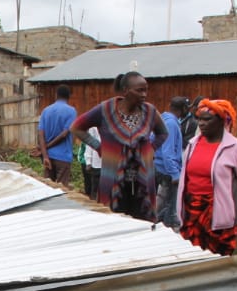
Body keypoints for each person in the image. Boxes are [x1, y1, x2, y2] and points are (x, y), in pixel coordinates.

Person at [69, 72, 169, 220]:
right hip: (112, 177)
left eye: (146, 90)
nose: (144, 94)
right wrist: (99, 147)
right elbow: (76, 128)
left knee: (142, 222)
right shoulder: (106, 110)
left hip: (142, 179)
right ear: (125, 91)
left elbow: (163, 133)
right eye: (139, 90)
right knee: (112, 219)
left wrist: (150, 149)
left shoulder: (150, 112)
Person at [175, 98, 237, 255]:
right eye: (199, 119)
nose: (201, 124)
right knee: (192, 257)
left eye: (207, 119)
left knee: (218, 259)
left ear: (222, 121)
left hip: (219, 214)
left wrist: (230, 204)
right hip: (191, 211)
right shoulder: (192, 145)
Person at [155, 99, 187, 228]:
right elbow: (167, 152)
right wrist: (175, 174)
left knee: (163, 203)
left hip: (160, 166)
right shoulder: (171, 124)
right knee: (170, 207)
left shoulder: (164, 120)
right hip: (166, 170)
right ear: (183, 108)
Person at [38, 85, 77, 186]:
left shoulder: (46, 111)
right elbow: (64, 134)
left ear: (56, 95)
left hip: (48, 156)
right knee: (62, 190)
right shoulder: (71, 111)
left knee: (47, 188)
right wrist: (47, 147)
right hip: (63, 157)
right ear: (68, 96)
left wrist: (45, 153)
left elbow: (41, 134)